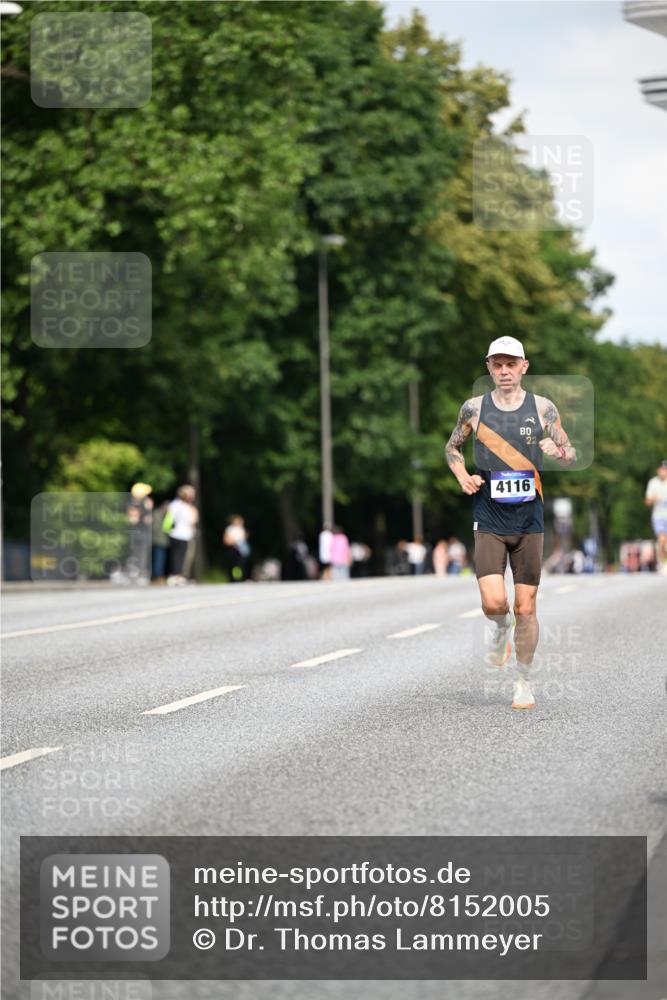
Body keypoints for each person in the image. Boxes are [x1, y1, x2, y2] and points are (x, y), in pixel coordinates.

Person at [445, 335, 576, 710]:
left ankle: (522, 681)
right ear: (489, 368)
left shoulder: (543, 409)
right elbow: (452, 447)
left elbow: (570, 451)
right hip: (488, 517)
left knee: (527, 608)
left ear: (524, 367)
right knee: (494, 602)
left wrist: (559, 449)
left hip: (529, 519)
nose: (503, 371)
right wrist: (462, 476)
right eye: (496, 364)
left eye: (510, 364)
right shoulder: (473, 408)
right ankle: (499, 629)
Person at [165, 484, 198, 585]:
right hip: (181, 533)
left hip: (177, 533)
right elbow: (192, 520)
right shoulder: (183, 506)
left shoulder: (175, 504)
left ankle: (177, 575)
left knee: (178, 556)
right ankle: (176, 575)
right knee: (180, 556)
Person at [126, 482, 153, 584]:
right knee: (139, 553)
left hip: (143, 531)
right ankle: (137, 574)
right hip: (138, 531)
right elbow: (133, 520)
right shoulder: (134, 504)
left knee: (141, 553)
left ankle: (140, 574)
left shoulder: (144, 503)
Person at [645, 460, 667, 572]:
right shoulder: (653, 483)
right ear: (658, 470)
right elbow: (647, 502)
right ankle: (662, 563)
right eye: (662, 470)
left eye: (665, 470)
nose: (663, 472)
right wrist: (653, 498)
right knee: (662, 539)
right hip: (658, 516)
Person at [224, 514, 251, 582]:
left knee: (242, 564)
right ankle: (235, 578)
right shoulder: (230, 529)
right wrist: (234, 541)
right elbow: (226, 540)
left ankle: (242, 578)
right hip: (233, 548)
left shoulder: (241, 529)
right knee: (235, 566)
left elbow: (244, 537)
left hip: (242, 549)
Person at [151, 499, 170, 583]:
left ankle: (158, 575)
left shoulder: (162, 515)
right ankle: (157, 576)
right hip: (158, 540)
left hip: (161, 540)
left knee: (159, 559)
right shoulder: (157, 514)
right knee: (159, 559)